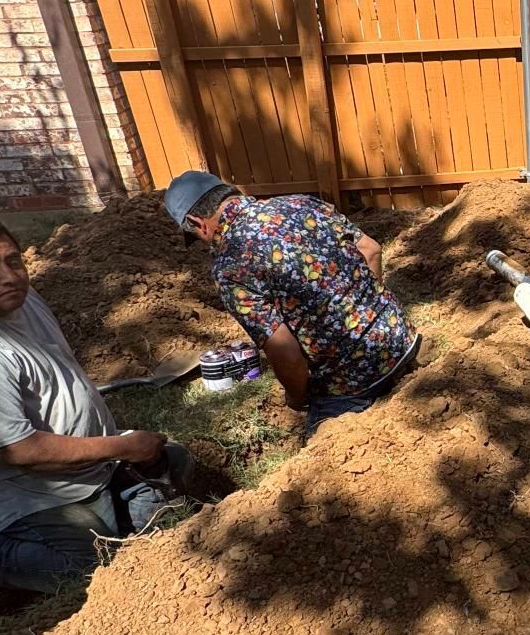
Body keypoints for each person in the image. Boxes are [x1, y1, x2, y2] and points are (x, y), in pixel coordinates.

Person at [0, 211, 198, 593]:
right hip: (20, 496)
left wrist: (119, 449)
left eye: (13, 260)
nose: (10, 276)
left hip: (86, 472)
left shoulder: (12, 297)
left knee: (175, 461)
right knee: (88, 569)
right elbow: (16, 451)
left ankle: (113, 510)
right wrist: (122, 446)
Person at [164, 172, 419, 438]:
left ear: (197, 222)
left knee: (324, 460)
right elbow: (371, 249)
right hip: (403, 339)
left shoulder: (229, 268)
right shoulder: (301, 203)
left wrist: (296, 397)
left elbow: (284, 349)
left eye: (195, 235)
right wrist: (365, 313)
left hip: (353, 384)